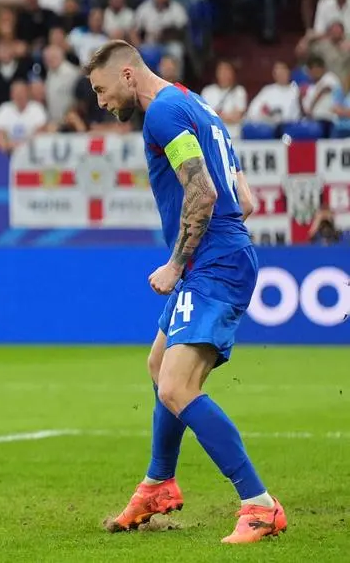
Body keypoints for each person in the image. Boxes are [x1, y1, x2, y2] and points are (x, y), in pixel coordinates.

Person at [83, 40, 286, 544]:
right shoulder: (189, 100)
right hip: (215, 256)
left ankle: (259, 505)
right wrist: (240, 184)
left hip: (211, 260)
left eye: (102, 90)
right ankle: (158, 482)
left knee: (176, 387)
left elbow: (203, 192)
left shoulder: (162, 115)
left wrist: (175, 264)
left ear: (128, 75)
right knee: (159, 366)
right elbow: (229, 169)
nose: (101, 103)